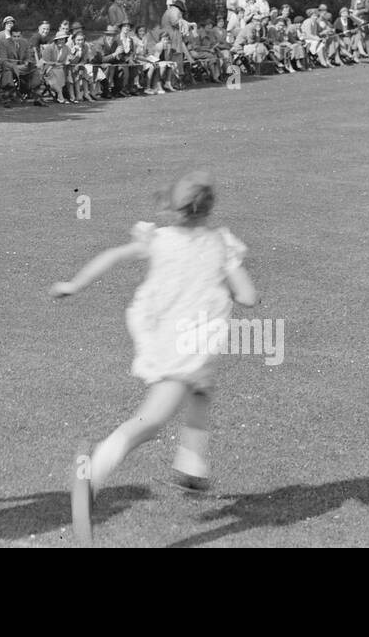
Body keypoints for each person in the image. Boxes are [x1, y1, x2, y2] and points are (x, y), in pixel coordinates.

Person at [50, 170, 256, 546]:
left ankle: (192, 466)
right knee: (151, 421)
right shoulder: (220, 243)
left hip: (167, 337)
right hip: (189, 346)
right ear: (209, 208)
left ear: (172, 207)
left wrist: (72, 285)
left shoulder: (158, 239)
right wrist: (237, 289)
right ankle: (92, 471)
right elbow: (246, 295)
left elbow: (112, 255)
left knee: (202, 388)